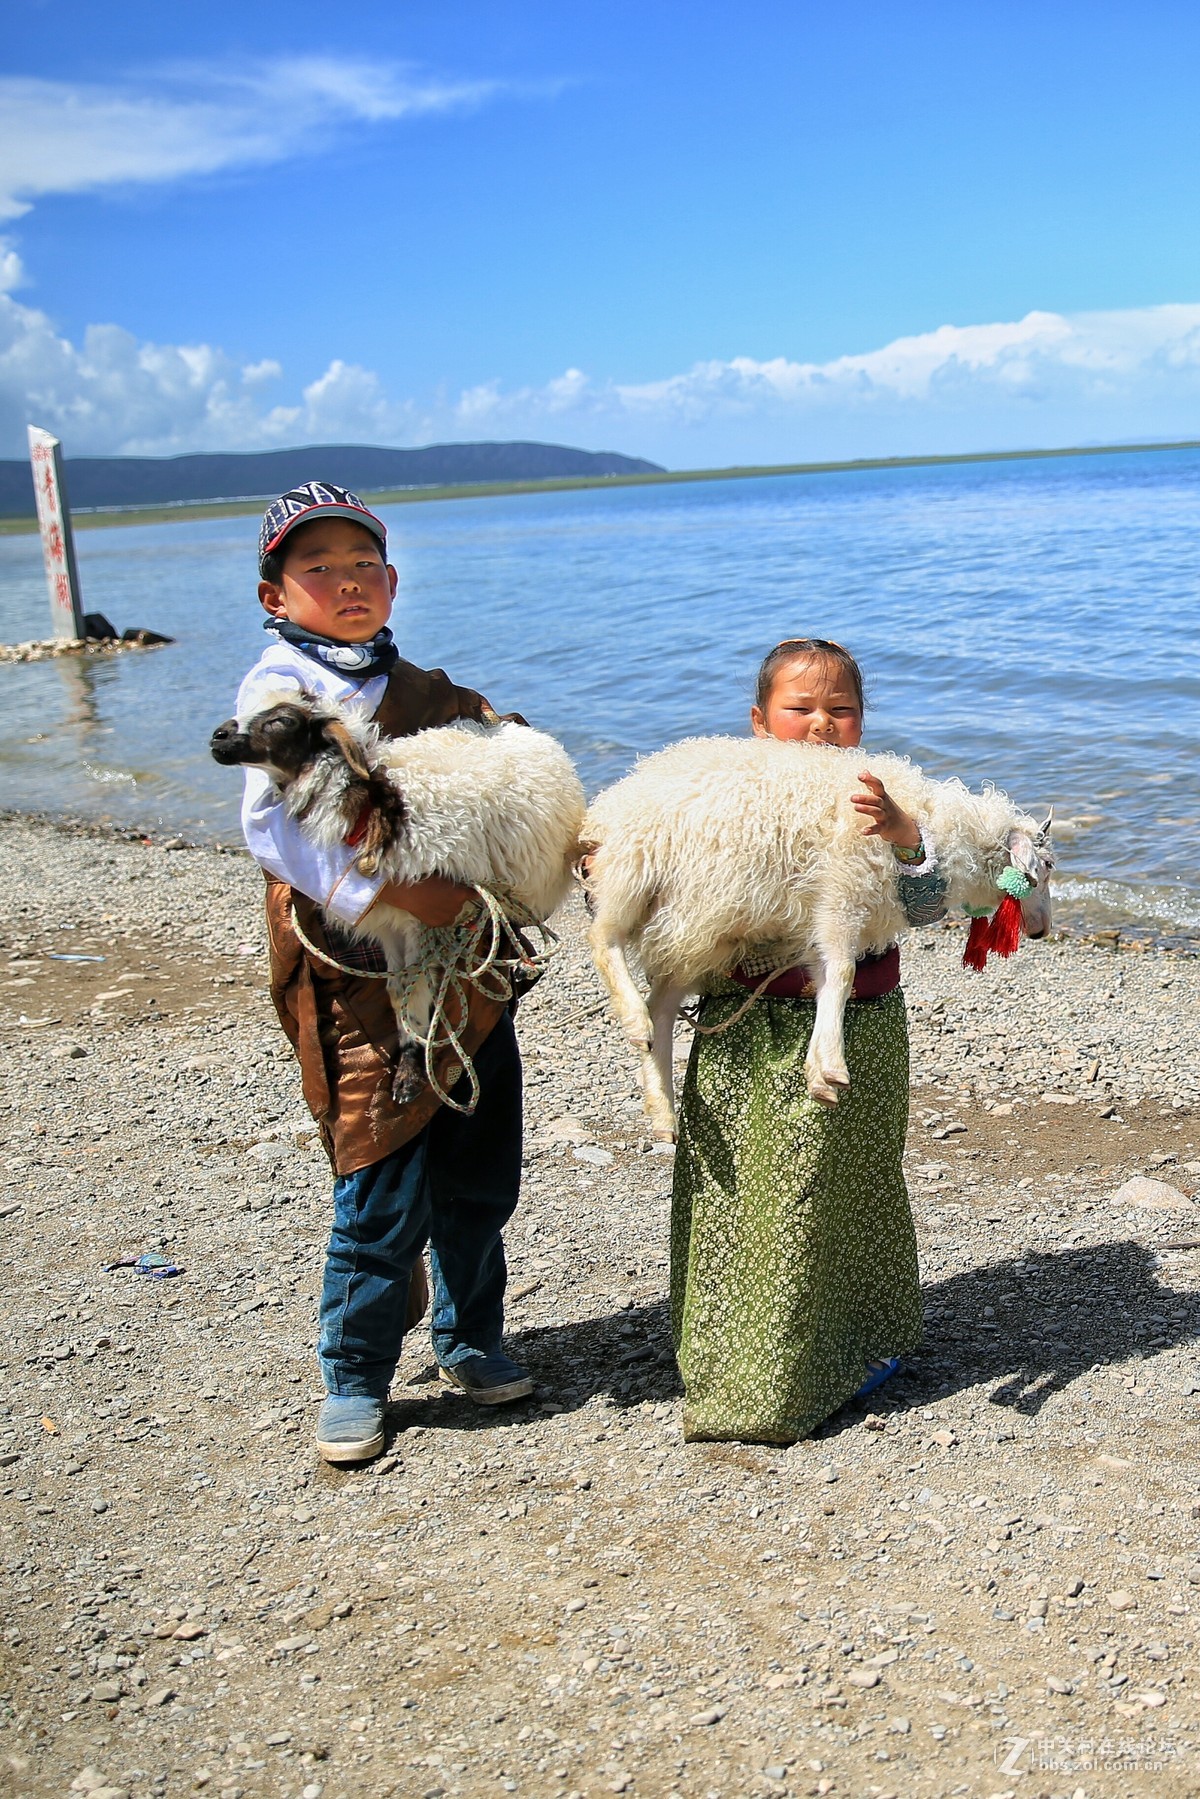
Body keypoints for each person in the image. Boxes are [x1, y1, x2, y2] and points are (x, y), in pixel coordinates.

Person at [234, 481, 533, 1465]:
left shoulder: (434, 696)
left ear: (394, 582)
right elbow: (275, 831)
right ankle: (355, 1375)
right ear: (276, 594)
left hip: (462, 969)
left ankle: (471, 1337)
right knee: (376, 1172)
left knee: (478, 1165)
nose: (347, 582)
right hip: (353, 966)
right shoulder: (278, 697)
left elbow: (503, 777)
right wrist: (400, 899)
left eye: (364, 565)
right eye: (318, 568)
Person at [671, 637, 947, 1443]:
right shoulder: (721, 798)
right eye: (800, 709)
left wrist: (903, 834)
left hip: (858, 1025)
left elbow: (928, 907)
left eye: (841, 709)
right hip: (747, 1030)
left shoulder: (886, 797)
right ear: (758, 721)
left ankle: (861, 1343)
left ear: (864, 720)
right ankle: (754, 1373)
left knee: (849, 1182)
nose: (822, 724)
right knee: (752, 1191)